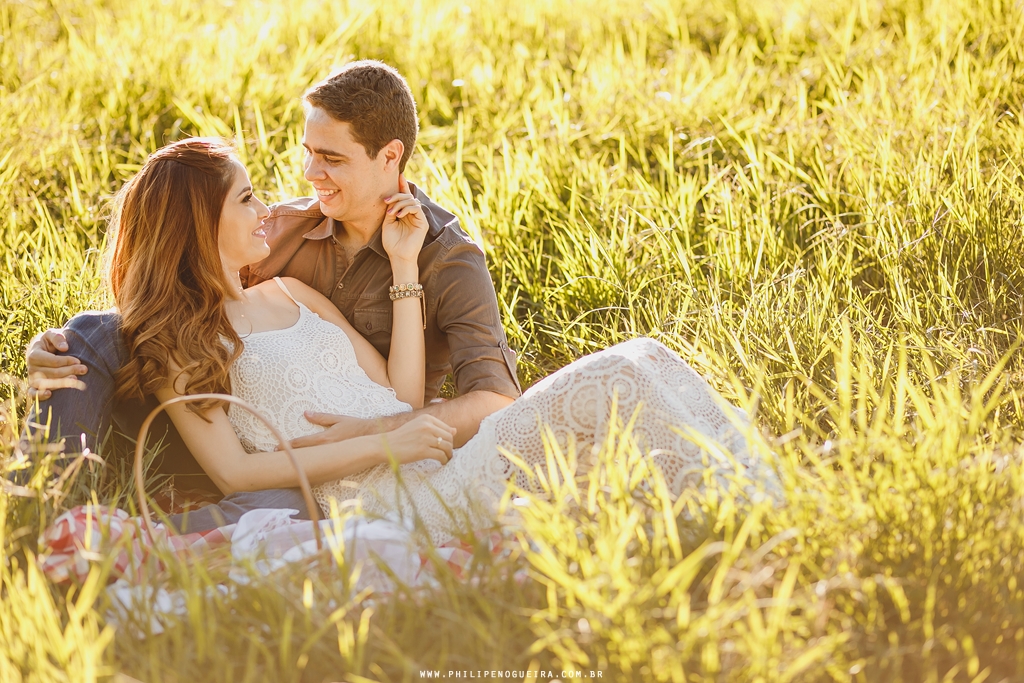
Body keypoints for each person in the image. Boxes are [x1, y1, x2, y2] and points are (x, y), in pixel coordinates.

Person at [94, 136, 776, 546]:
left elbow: (400, 393)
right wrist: (385, 443)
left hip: (439, 458)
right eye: (245, 198)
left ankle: (763, 504)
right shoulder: (181, 339)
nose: (266, 206)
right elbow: (235, 474)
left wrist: (402, 264)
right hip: (391, 500)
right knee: (618, 377)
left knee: (646, 355)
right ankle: (759, 522)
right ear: (198, 223)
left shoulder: (290, 294)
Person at [22, 61, 521, 526]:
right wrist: (60, 344)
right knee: (92, 334)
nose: (305, 178)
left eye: (330, 158)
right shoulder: (277, 233)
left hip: (385, 461)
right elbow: (167, 293)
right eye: (308, 152)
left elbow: (437, 399)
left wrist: (403, 265)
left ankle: (113, 534)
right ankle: (41, 512)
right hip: (289, 468)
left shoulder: (435, 260)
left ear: (390, 156)